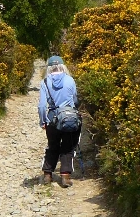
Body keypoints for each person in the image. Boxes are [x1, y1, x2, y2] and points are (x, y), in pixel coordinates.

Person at [38, 55, 80, 187]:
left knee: (52, 146)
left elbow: (42, 106)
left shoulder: (45, 82)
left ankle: (47, 175)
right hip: (69, 118)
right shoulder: (70, 80)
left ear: (49, 67)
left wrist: (42, 121)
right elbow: (75, 100)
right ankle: (65, 176)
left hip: (52, 119)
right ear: (63, 66)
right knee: (68, 147)